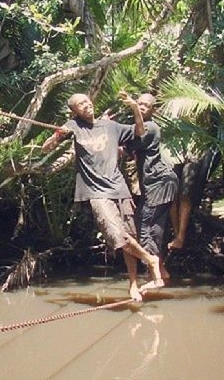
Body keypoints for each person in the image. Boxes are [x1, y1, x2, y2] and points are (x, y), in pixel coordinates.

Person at [42, 93, 163, 300]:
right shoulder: (73, 126)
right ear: (74, 111)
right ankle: (150, 259)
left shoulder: (110, 126)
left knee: (130, 237)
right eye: (80, 104)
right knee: (116, 236)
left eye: (87, 101)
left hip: (119, 188)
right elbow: (46, 148)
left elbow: (140, 131)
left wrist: (135, 107)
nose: (86, 105)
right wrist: (57, 135)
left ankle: (133, 285)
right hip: (96, 192)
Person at [119, 91, 178, 286]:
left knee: (145, 227)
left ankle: (156, 277)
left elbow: (139, 131)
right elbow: (122, 148)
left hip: (159, 182)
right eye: (139, 104)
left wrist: (133, 107)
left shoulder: (151, 128)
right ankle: (162, 271)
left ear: (153, 110)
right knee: (155, 227)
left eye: (146, 105)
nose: (142, 107)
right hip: (158, 184)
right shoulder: (135, 132)